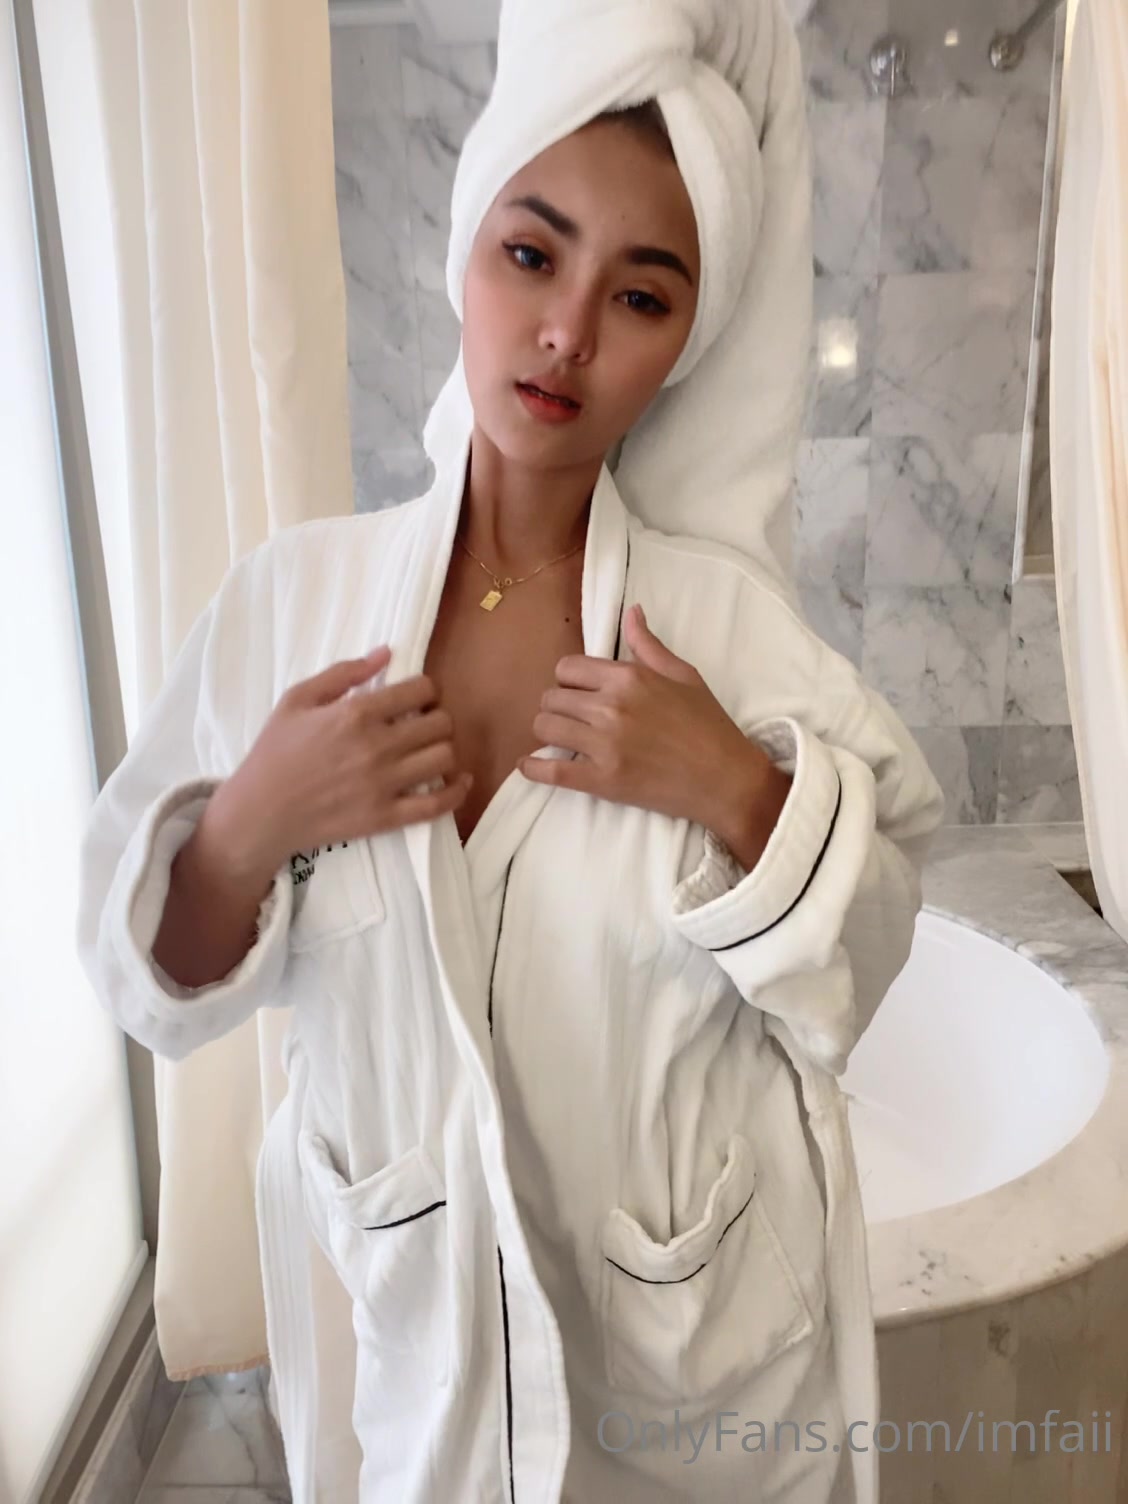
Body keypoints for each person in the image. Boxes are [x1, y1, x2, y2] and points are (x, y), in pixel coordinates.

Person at [77, 99, 945, 1504]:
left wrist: (734, 787)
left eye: (640, 296)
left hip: (688, 1404)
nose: (569, 333)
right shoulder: (292, 605)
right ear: (462, 255)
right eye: (532, 256)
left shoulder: (723, 631)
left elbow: (876, 952)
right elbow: (145, 988)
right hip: (422, 1389)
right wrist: (248, 826)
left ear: (683, 345)